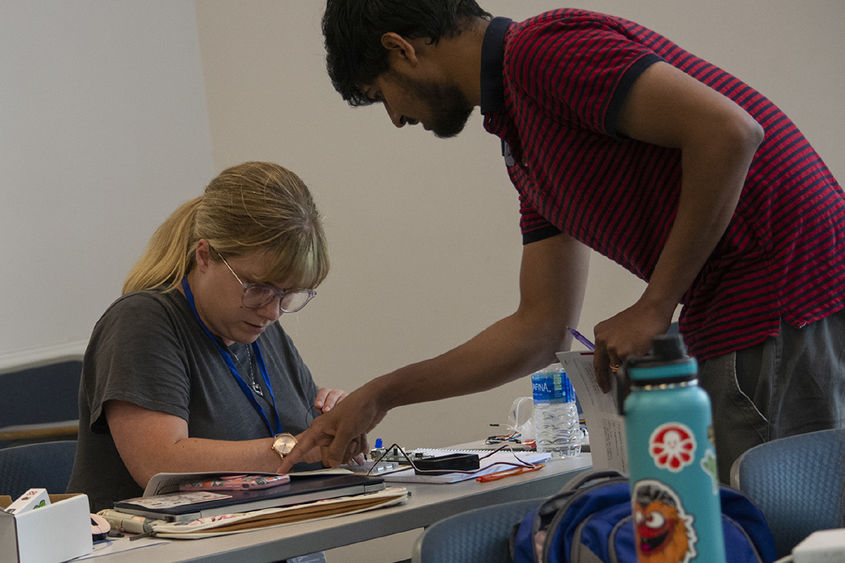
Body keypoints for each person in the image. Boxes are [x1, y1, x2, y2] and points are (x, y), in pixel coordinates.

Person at [279, 1, 845, 483]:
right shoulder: (521, 138)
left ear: (402, 50)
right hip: (747, 307)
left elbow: (729, 131)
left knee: (778, 526)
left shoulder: (540, 54)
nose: (397, 119)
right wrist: (381, 394)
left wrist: (653, 305)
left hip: (785, 294)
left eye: (382, 95)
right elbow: (539, 328)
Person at [68, 161, 352, 511]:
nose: (272, 311)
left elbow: (307, 444)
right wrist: (293, 447)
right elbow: (158, 463)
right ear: (204, 256)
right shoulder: (142, 320)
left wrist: (333, 426)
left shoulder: (261, 331)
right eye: (258, 287)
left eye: (288, 294)